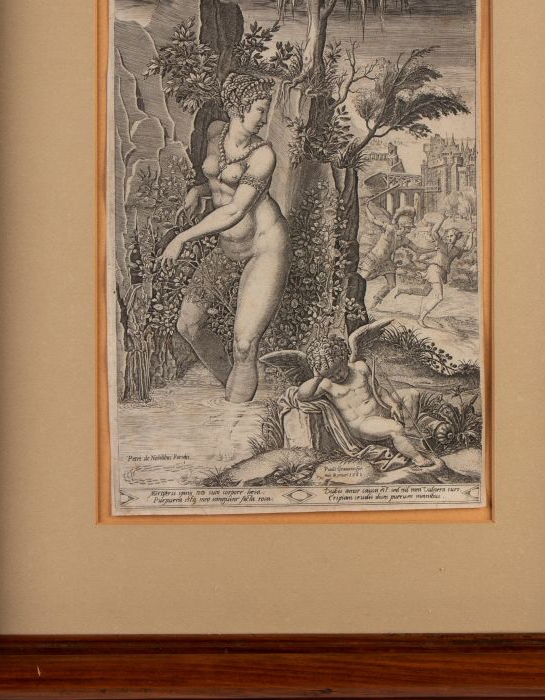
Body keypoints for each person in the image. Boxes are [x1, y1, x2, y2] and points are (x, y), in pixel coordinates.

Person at [161, 73, 291, 403]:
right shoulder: (215, 132)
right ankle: (234, 390)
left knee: (245, 345)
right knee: (188, 325)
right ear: (238, 108)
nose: (264, 118)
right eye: (260, 110)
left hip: (265, 248)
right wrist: (199, 190)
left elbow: (234, 210)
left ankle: (235, 414)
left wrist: (182, 238)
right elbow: (220, 181)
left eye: (265, 111)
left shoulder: (263, 155)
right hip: (228, 248)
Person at [296, 336, 443, 468]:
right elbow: (302, 396)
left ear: (344, 358)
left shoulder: (360, 367)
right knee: (396, 428)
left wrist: (392, 404)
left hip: (381, 408)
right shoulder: (326, 384)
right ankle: (418, 459)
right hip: (364, 423)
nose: (337, 377)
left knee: (412, 394)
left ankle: (411, 432)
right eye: (331, 375)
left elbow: (379, 391)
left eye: (339, 370)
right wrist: (317, 378)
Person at [418, 216, 475, 326]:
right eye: (448, 236)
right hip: (434, 269)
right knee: (439, 297)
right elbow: (434, 231)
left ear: (457, 237)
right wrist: (442, 219)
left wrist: (471, 234)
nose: (449, 238)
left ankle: (419, 314)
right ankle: (421, 319)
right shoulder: (441, 243)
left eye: (451, 236)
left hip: (441, 273)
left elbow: (468, 247)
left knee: (426, 292)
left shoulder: (456, 250)